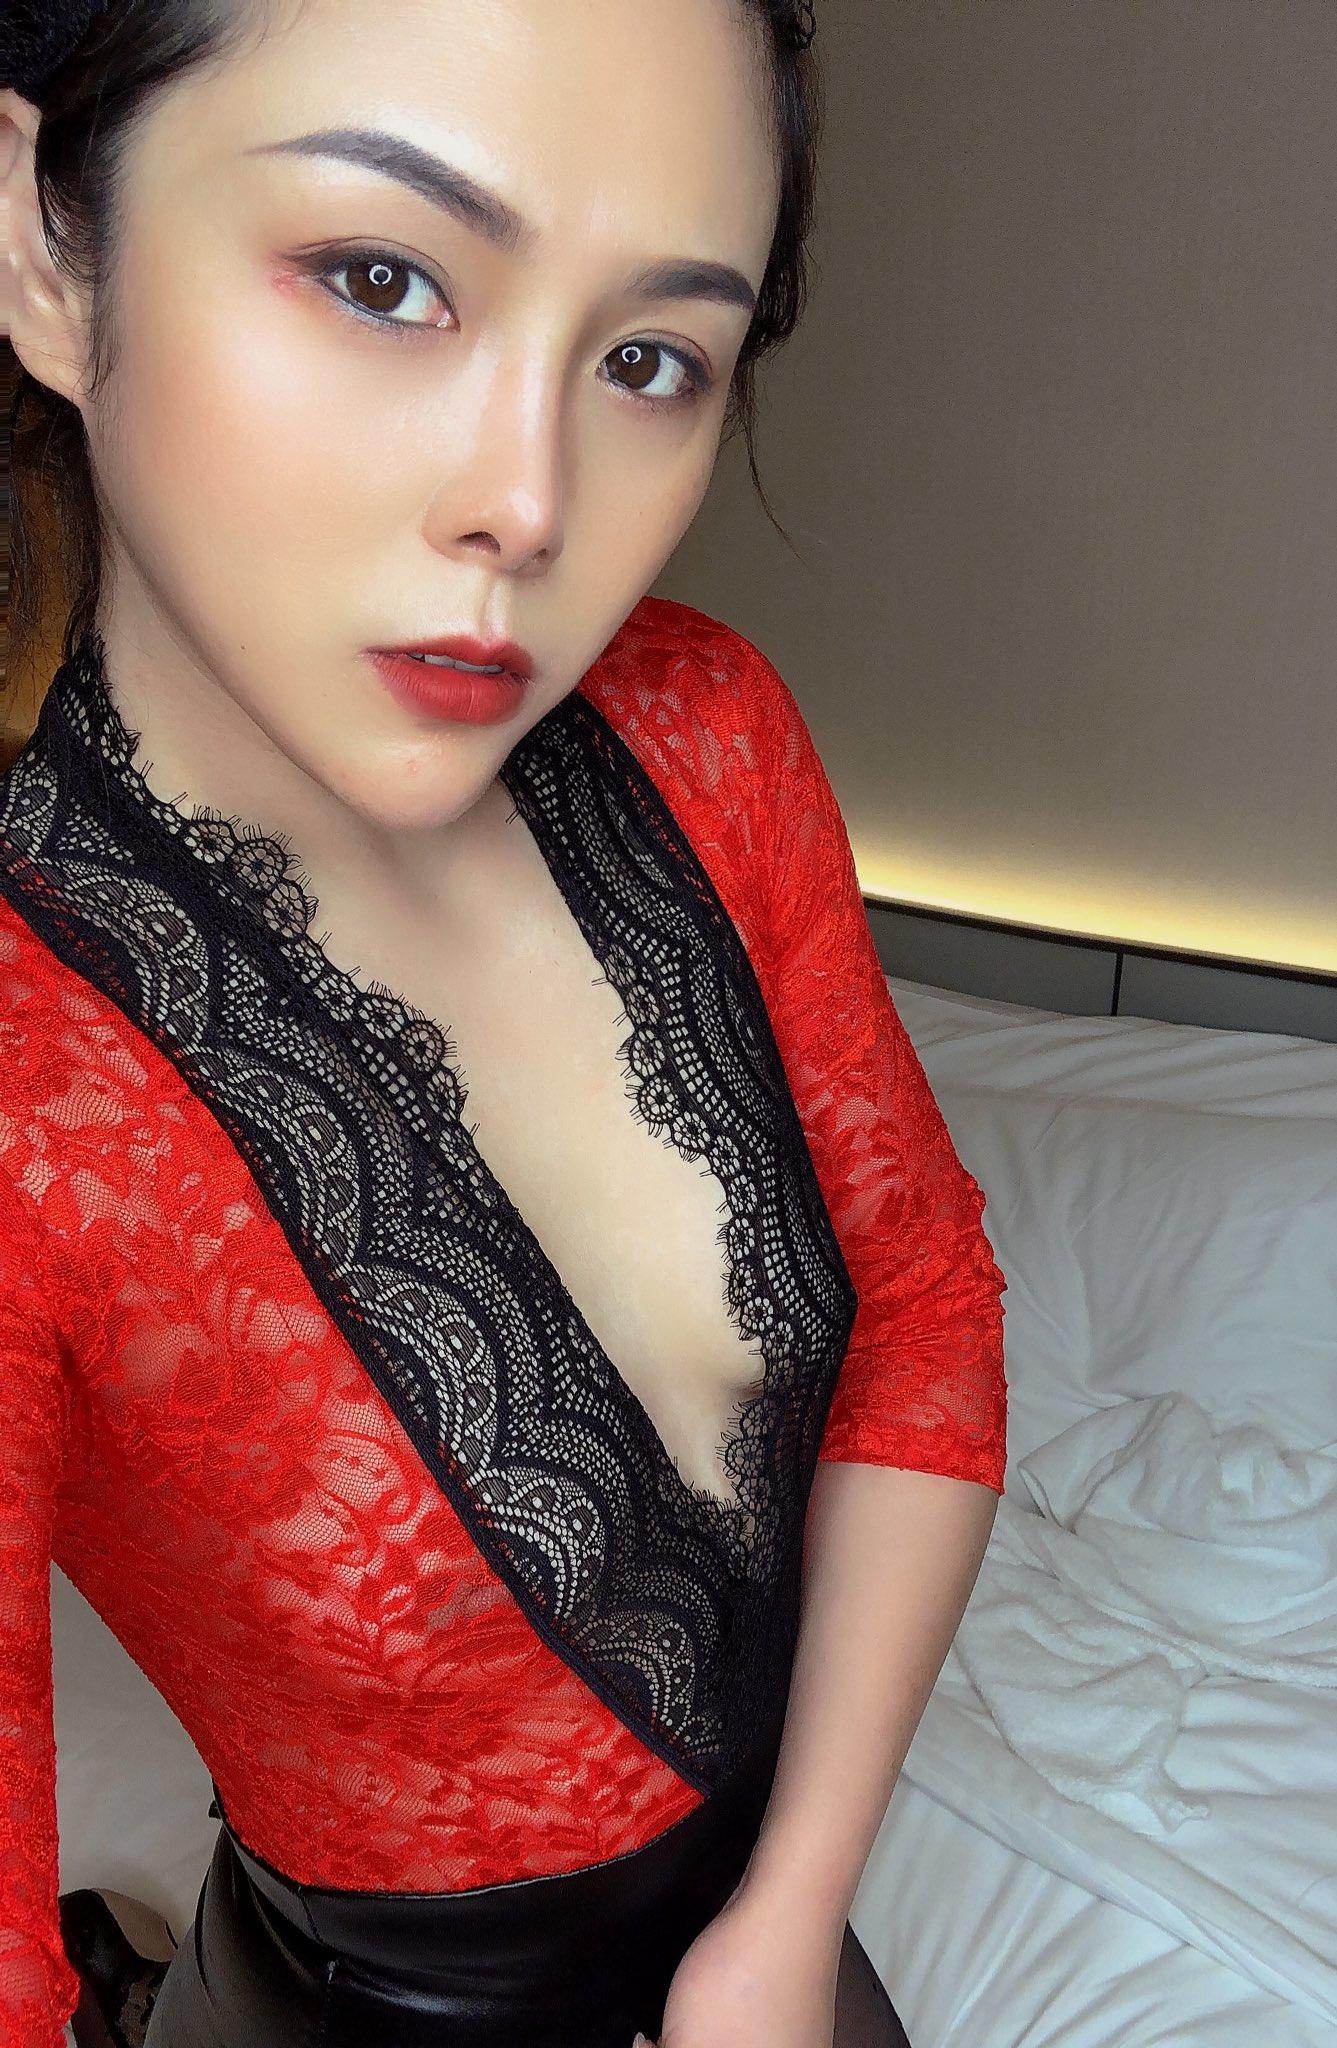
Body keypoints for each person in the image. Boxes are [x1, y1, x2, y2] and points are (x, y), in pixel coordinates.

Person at [0, 1, 1009, 2043]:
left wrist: (789, 1915)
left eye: (649, 359)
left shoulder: (707, 734)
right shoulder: (30, 1085)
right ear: (40, 244)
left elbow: (922, 1305)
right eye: (383, 279)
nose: (528, 505)